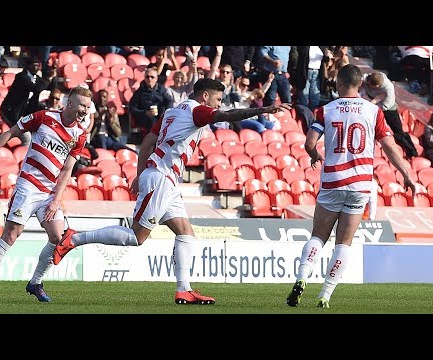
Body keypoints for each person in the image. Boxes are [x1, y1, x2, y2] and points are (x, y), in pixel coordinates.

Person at [53, 78, 291, 305]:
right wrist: (264, 109)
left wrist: (139, 173)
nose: (219, 104)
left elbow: (148, 142)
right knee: (137, 237)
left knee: (185, 231)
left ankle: (184, 289)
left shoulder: (172, 112)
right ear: (205, 96)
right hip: (161, 180)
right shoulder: (198, 110)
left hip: (165, 178)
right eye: (218, 99)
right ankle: (73, 238)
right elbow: (228, 115)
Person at [286, 64, 415, 309]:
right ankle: (325, 295)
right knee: (344, 243)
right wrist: (406, 174)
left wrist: (314, 154)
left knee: (318, 236)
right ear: (361, 84)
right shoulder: (373, 111)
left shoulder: (326, 110)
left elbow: (309, 142)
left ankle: (302, 277)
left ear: (339, 82)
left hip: (333, 180)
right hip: (359, 184)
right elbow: (389, 146)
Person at [0, 85, 92, 302]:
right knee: (11, 235)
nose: (85, 110)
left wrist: (57, 199)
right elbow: (10, 133)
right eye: (82, 105)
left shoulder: (80, 135)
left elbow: (67, 169)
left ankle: (35, 282)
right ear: (70, 104)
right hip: (28, 186)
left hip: (48, 194)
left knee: (58, 238)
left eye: (88, 107)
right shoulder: (44, 117)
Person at [360, 71, 418, 159]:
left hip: (388, 110)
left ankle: (411, 152)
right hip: (372, 105)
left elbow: (385, 106)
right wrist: (373, 100)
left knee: (398, 133)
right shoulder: (366, 79)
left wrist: (373, 103)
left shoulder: (388, 88)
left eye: (374, 88)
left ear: (378, 86)